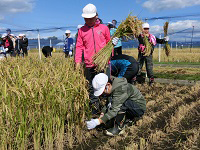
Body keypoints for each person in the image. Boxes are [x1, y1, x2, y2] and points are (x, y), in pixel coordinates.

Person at [75, 3, 118, 114]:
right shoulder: (81, 31)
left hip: (104, 63)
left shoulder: (104, 28)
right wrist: (78, 62)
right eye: (86, 19)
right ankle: (95, 111)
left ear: (96, 16)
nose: (88, 21)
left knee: (107, 85)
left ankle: (109, 108)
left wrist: (113, 45)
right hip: (90, 64)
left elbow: (109, 43)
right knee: (92, 87)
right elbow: (79, 47)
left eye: (90, 18)